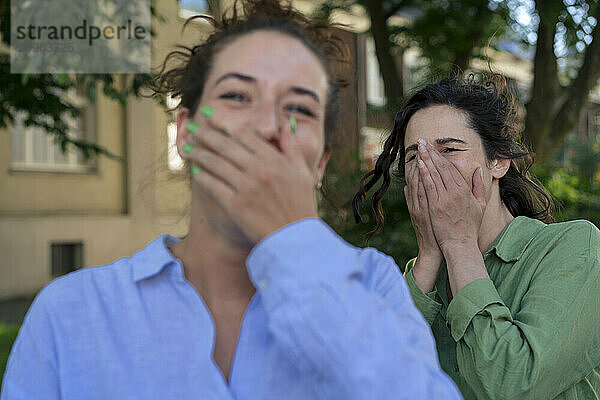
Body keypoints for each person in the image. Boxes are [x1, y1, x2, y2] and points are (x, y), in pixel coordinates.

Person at [1, 1, 462, 399]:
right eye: (237, 95)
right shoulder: (69, 315)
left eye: (299, 108)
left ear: (319, 162)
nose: (267, 127)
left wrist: (290, 241)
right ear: (186, 134)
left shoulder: (375, 288)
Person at [354, 74, 600, 400]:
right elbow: (370, 381)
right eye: (414, 155)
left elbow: (513, 386)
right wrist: (429, 254)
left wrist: (458, 244)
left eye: (449, 149)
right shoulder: (419, 276)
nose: (428, 167)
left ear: (498, 161)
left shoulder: (573, 247)